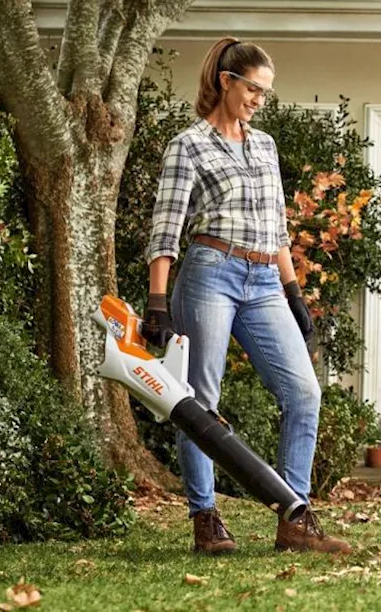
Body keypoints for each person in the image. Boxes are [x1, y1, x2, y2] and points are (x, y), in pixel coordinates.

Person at [141, 36, 351, 556]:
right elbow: (165, 229)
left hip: (263, 282)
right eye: (253, 88)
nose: (259, 99)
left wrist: (294, 292)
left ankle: (295, 517)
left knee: (304, 392)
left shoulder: (265, 145)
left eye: (266, 92)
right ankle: (206, 517)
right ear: (225, 81)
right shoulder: (187, 145)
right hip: (210, 271)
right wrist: (157, 301)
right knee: (199, 401)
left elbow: (277, 226)